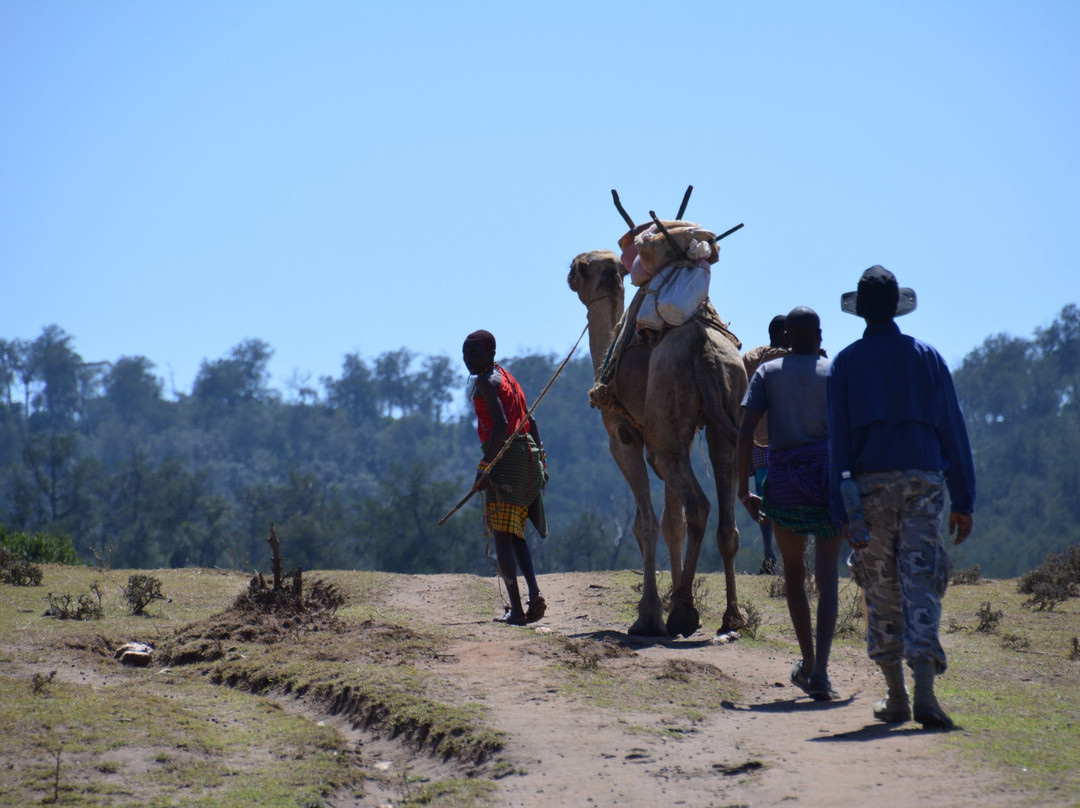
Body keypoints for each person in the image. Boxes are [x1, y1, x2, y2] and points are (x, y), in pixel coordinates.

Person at [827, 265, 976, 729]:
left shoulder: (846, 364)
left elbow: (838, 443)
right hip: (923, 484)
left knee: (880, 586)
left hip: (868, 488)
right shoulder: (927, 357)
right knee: (921, 581)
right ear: (896, 307)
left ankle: (896, 696)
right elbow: (953, 428)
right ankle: (926, 690)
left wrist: (841, 510)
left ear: (861, 312)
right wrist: (964, 500)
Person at [737, 307, 843, 701]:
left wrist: (743, 489)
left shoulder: (767, 373)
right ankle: (822, 672)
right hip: (827, 481)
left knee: (794, 574)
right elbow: (851, 434)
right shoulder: (834, 372)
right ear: (819, 336)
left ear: (784, 339)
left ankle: (808, 661)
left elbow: (744, 432)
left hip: (783, 481)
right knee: (828, 577)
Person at [463, 330, 548, 626]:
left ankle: (518, 611)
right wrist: (542, 458)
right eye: (465, 355)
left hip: (507, 458)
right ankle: (534, 595)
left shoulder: (487, 382)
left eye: (474, 354)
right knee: (514, 533)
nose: (468, 360)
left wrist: (485, 465)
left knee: (502, 534)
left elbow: (500, 425)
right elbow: (530, 420)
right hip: (527, 454)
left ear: (491, 353)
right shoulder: (507, 378)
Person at [741, 314, 788, 574]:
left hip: (759, 439)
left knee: (764, 497)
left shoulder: (752, 357)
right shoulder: (795, 357)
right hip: (789, 441)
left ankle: (768, 554)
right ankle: (792, 555)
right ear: (784, 334)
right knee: (791, 496)